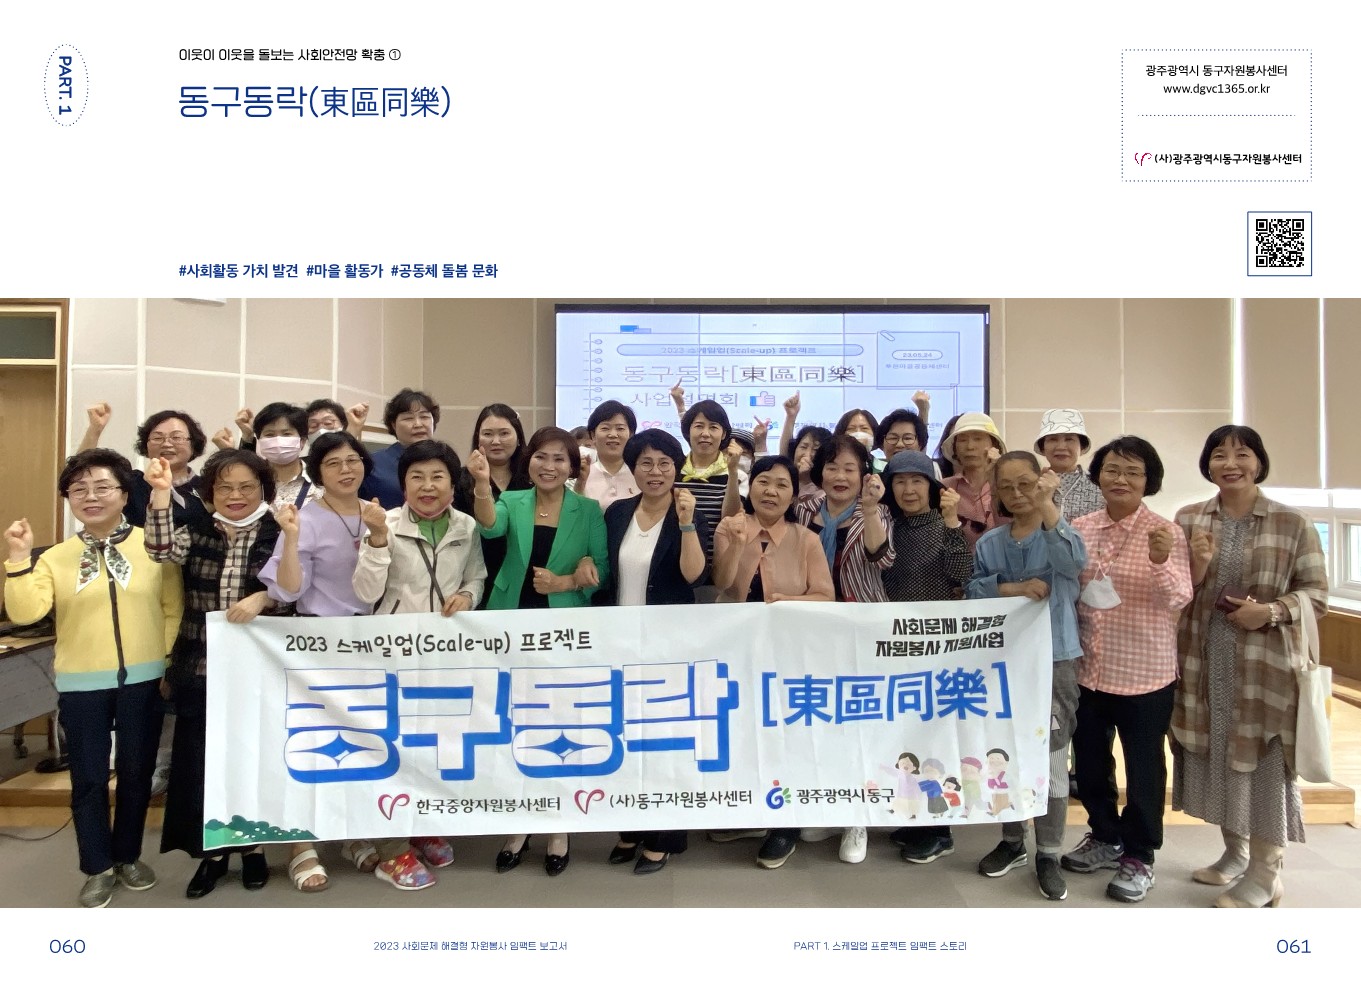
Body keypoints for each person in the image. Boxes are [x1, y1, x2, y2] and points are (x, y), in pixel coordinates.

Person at [260, 431, 439, 892]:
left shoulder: (383, 513)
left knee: (372, 745)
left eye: (353, 460)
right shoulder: (305, 517)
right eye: (334, 463)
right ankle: (302, 846)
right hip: (322, 646)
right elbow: (289, 590)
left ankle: (357, 832)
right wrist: (292, 538)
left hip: (377, 644)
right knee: (314, 745)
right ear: (317, 472)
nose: (346, 469)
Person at [4, 450, 182, 908]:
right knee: (87, 778)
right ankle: (97, 866)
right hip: (81, 684)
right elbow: (26, 612)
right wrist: (19, 559)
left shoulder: (154, 546)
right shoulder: (55, 557)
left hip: (143, 681)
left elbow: (172, 609)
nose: (91, 496)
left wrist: (162, 663)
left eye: (103, 487)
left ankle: (128, 856)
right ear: (68, 499)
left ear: (124, 494)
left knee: (137, 773)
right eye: (79, 489)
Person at [1172, 425, 1328, 908]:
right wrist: (1196, 566)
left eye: (1242, 454)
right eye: (1219, 455)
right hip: (1204, 658)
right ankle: (1236, 854)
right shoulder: (1190, 518)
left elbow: (1316, 594)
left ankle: (1266, 873)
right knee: (1219, 756)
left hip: (1266, 664)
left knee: (1262, 762)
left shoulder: (1291, 522)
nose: (1230, 464)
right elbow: (1173, 589)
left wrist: (1272, 611)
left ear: (1259, 462)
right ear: (1208, 464)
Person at [468, 426, 610, 876]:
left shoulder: (588, 510)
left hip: (562, 632)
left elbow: (601, 571)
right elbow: (490, 527)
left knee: (560, 729)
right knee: (514, 726)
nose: (549, 466)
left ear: (572, 466)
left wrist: (567, 581)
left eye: (559, 459)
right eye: (541, 457)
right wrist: (481, 485)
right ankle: (518, 824)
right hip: (510, 627)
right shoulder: (512, 500)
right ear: (528, 460)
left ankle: (558, 828)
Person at [143, 449, 281, 899]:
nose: (236, 495)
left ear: (262, 489)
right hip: (200, 666)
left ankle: (254, 849)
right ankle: (214, 854)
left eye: (246, 487)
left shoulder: (278, 530)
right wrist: (160, 494)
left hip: (259, 670)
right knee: (202, 763)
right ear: (211, 492)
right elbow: (160, 551)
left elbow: (296, 587)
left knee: (254, 760)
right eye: (225, 487)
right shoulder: (198, 527)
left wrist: (266, 597)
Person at [1064, 436, 1193, 904]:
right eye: (1112, 469)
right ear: (1098, 475)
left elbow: (1179, 598)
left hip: (1144, 673)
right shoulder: (1080, 528)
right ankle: (1104, 836)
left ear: (1148, 481)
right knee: (1090, 764)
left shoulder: (1165, 532)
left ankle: (1140, 854)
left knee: (1144, 769)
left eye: (1133, 472)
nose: (1121, 479)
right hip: (1088, 670)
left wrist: (1159, 561)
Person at [351, 439, 486, 876]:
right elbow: (366, 592)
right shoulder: (384, 522)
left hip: (443, 656)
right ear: (403, 483)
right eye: (417, 477)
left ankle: (422, 825)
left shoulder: (466, 525)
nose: (428, 486)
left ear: (452, 484)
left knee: (430, 744)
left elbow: (476, 576)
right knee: (390, 746)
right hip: (391, 655)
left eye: (437, 477)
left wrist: (467, 596)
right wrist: (376, 539)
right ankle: (391, 845)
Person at [965, 451, 1086, 901]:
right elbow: (974, 592)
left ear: (1042, 482)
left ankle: (1049, 851)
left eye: (1026, 484)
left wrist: (1048, 506)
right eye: (1006, 487)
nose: (1016, 494)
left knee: (1052, 758)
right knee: (1004, 753)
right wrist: (1010, 588)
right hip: (1001, 663)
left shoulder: (1060, 532)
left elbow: (1073, 564)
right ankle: (1012, 840)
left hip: (1054, 661)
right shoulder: (989, 543)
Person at [711, 455, 834, 869]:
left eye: (782, 485)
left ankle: (786, 825)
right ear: (751, 487)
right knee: (743, 730)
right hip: (736, 649)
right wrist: (736, 543)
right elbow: (723, 583)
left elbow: (825, 596)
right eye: (764, 481)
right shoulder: (730, 527)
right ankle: (753, 813)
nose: (771, 491)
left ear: (793, 495)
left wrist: (788, 602)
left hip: (789, 653)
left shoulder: (806, 540)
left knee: (785, 733)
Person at [596, 429, 708, 874]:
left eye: (664, 463)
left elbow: (694, 576)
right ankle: (630, 827)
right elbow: (607, 571)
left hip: (668, 646)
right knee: (626, 737)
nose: (655, 471)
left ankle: (664, 837)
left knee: (664, 741)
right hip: (621, 644)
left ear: (677, 468)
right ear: (633, 468)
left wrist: (687, 523)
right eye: (646, 462)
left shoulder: (688, 510)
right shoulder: (618, 512)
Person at [790, 434, 891, 864]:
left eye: (850, 468)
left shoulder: (877, 511)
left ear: (864, 473)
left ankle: (857, 817)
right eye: (832, 467)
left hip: (859, 628)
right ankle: (830, 805)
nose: (840, 476)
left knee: (858, 720)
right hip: (812, 629)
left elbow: (881, 557)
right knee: (821, 719)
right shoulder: (805, 508)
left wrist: (868, 509)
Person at [878, 450, 973, 863]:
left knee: (933, 736)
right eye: (900, 481)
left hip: (937, 649)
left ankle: (940, 828)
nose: (908, 489)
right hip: (895, 646)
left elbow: (963, 574)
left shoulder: (944, 524)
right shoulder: (889, 526)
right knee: (904, 735)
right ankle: (917, 817)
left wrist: (952, 523)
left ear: (932, 487)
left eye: (917, 481)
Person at [77, 403, 210, 527]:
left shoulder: (208, 487)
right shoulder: (131, 483)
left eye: (176, 437)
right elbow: (80, 474)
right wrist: (95, 429)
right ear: (146, 445)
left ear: (193, 445)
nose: (166, 444)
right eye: (157, 438)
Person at [467, 403, 531, 609]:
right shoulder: (461, 479)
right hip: (475, 574)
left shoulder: (533, 480)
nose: (496, 441)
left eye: (504, 433)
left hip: (524, 579)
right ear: (478, 438)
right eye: (488, 434)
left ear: (518, 437)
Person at [353, 388, 442, 509]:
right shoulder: (372, 463)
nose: (418, 424)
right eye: (408, 418)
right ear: (393, 424)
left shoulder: (445, 460)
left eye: (424, 417)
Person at [941, 412, 1007, 550]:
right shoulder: (945, 487)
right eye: (962, 440)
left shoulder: (1008, 486)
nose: (970, 446)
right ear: (955, 448)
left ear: (994, 445)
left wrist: (996, 477)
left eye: (978, 439)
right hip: (959, 562)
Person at [248, 402, 323, 512]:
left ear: (302, 441)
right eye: (269, 434)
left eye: (286, 434)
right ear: (260, 441)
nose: (278, 440)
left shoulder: (321, 479)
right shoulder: (250, 480)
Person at [1034, 408, 1105, 521]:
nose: (1061, 447)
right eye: (1053, 439)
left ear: (1082, 447)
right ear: (1042, 447)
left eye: (1069, 439)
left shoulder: (1100, 485)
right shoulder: (1032, 484)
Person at [574, 400, 639, 507]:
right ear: (593, 435)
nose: (613, 434)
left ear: (631, 434)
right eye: (605, 428)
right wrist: (580, 484)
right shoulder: (580, 474)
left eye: (620, 428)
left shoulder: (640, 474)